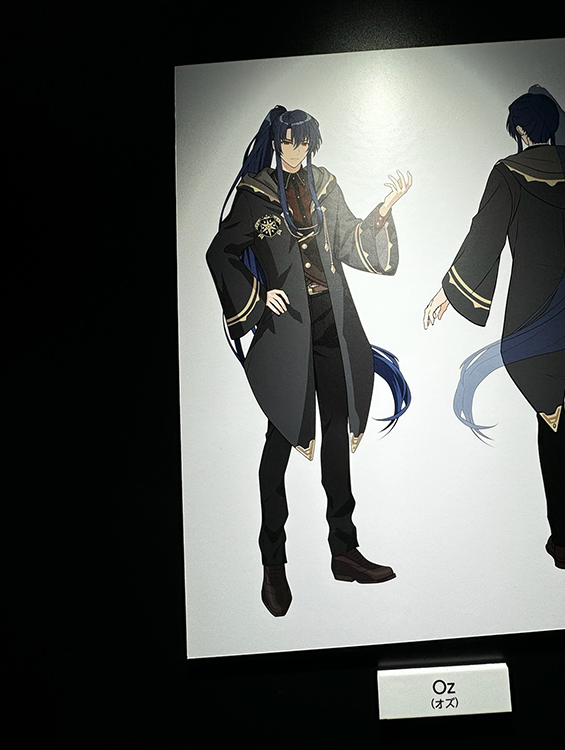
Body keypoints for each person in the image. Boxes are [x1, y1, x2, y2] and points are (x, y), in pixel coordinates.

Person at [207, 106, 412, 616]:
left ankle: (344, 551)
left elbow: (348, 241)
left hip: (333, 326)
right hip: (286, 335)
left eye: (303, 144)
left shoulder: (323, 185)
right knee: (279, 443)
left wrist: (383, 211)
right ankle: (273, 563)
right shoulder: (255, 194)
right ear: (276, 143)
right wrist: (259, 295)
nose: (296, 152)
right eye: (288, 143)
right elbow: (220, 253)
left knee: (336, 435)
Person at [423, 85, 565, 575]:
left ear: (520, 130)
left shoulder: (508, 173)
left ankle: (564, 538)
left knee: (551, 419)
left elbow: (484, 237)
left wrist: (449, 291)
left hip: (540, 314)